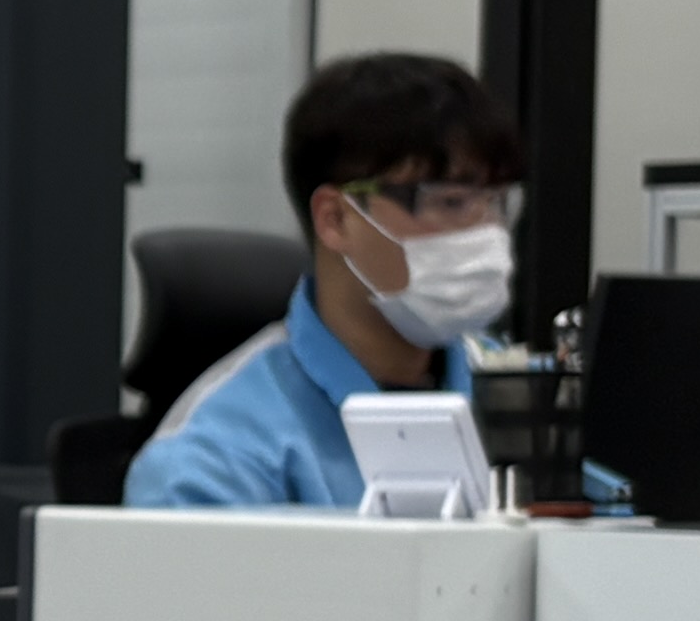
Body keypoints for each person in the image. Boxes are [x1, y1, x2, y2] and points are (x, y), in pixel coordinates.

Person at [124, 50, 523, 509]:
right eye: (450, 202)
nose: (486, 232)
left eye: (496, 202)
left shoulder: (525, 408)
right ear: (336, 219)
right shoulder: (214, 460)